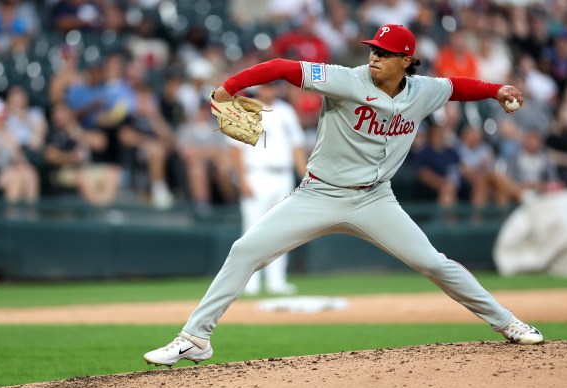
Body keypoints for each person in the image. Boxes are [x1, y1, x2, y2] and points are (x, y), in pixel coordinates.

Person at [144, 24, 544, 368]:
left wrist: (496, 90)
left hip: (376, 200)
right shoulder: (343, 79)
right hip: (319, 193)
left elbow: (458, 87)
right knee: (245, 250)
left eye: (385, 53)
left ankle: (508, 323)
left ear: (406, 61)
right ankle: (196, 338)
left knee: (434, 263)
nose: (375, 57)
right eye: (373, 50)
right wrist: (229, 87)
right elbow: (281, 67)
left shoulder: (424, 90)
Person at [233, 83, 307, 296]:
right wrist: (242, 180)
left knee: (281, 229)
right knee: (251, 231)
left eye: (272, 87)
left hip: (282, 175)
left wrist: (305, 177)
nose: (269, 91)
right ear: (258, 90)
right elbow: (235, 149)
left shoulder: (286, 111)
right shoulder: (245, 109)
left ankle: (277, 280)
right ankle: (250, 281)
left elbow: (297, 147)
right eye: (265, 87)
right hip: (255, 174)